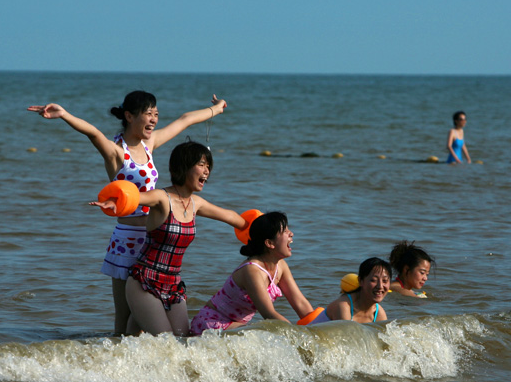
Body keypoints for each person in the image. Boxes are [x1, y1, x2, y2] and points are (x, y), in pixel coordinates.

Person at [29, 92, 227, 334]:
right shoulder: (116, 152)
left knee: (145, 320)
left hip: (153, 240)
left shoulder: (149, 144)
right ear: (129, 116)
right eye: (148, 113)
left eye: (156, 113)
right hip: (127, 240)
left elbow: (184, 120)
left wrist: (216, 110)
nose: (154, 119)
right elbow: (92, 132)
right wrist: (64, 115)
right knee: (124, 322)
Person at [91, 140, 249, 337]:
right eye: (201, 164)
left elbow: (231, 216)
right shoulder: (161, 198)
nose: (207, 171)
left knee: (182, 339)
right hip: (144, 282)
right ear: (183, 167)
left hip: (173, 286)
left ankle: (128, 339)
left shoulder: (196, 203)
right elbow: (135, 198)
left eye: (208, 166)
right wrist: (114, 202)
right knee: (168, 342)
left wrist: (256, 226)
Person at [189, 212, 315, 334]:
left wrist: (318, 328)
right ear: (269, 243)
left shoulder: (280, 265)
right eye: (285, 231)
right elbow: (269, 314)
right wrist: (297, 335)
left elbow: (300, 303)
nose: (291, 234)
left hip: (236, 325)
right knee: (263, 331)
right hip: (212, 324)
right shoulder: (252, 271)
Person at [310, 258, 391, 324]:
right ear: (360, 281)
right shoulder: (344, 306)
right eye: (374, 280)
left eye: (385, 281)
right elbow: (345, 340)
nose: (380, 286)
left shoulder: (379, 313)